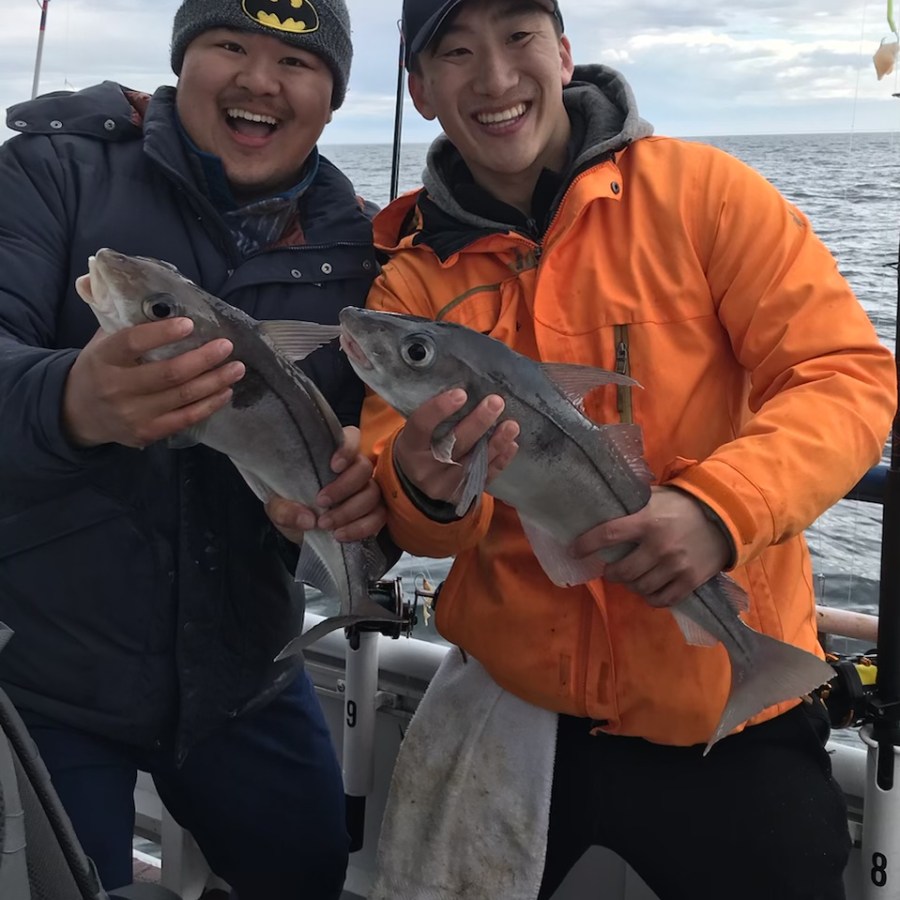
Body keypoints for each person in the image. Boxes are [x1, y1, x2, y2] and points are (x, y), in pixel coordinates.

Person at [357, 0, 898, 898]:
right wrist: (422, 484)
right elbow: (422, 530)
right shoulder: (413, 278)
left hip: (732, 706)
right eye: (454, 53)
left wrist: (721, 510)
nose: (494, 78)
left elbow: (846, 375)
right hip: (513, 709)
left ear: (563, 52)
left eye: (519, 37)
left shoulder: (704, 195)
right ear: (419, 90)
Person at [0, 0, 387, 897]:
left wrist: (384, 494)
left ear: (333, 95)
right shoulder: (53, 171)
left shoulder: (359, 247)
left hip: (246, 673)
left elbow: (377, 440)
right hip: (47, 679)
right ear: (183, 61)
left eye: (296, 60)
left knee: (309, 874)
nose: (259, 80)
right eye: (229, 45)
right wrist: (72, 401)